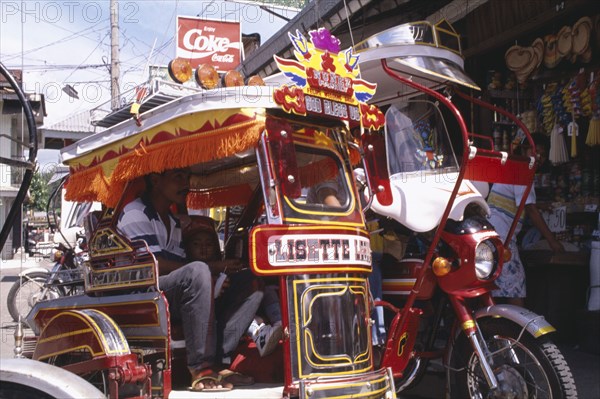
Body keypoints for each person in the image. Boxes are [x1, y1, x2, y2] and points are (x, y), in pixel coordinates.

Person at [117, 169, 261, 392]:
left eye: (187, 178)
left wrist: (217, 278)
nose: (186, 184)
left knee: (249, 281)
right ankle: (201, 368)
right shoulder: (136, 212)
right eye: (178, 178)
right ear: (156, 180)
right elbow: (153, 265)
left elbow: (180, 267)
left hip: (172, 290)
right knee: (198, 271)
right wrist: (211, 269)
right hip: (144, 292)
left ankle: (220, 361)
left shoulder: (174, 223)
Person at [183, 216, 282, 357]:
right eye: (196, 244)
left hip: (237, 307)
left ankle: (280, 323)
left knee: (263, 286)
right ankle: (259, 333)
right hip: (213, 315)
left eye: (209, 244)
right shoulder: (186, 273)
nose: (203, 249)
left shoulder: (223, 267)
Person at [488, 137, 564, 307]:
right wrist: (552, 241)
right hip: (502, 238)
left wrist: (542, 205)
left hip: (494, 234)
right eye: (535, 151)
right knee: (516, 283)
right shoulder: (522, 172)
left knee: (499, 284)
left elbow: (521, 203)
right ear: (524, 151)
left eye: (543, 155)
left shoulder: (514, 168)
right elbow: (530, 209)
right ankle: (516, 329)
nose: (538, 157)